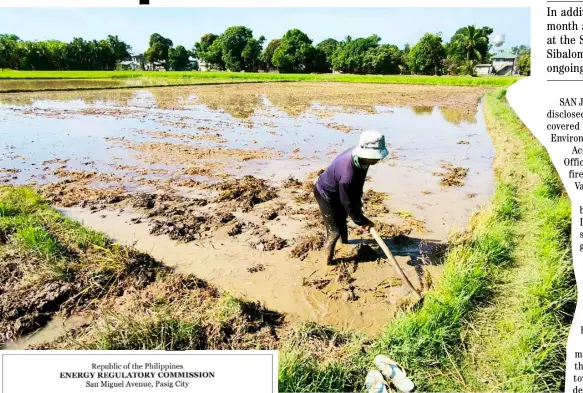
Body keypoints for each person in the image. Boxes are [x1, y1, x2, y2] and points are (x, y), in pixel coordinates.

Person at [313, 130, 389, 265]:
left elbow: (358, 183)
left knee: (342, 222)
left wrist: (358, 200)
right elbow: (347, 202)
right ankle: (327, 262)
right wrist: (361, 221)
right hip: (326, 195)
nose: (378, 159)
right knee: (334, 231)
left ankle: (345, 244)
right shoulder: (347, 174)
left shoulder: (362, 159)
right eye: (376, 157)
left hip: (339, 192)